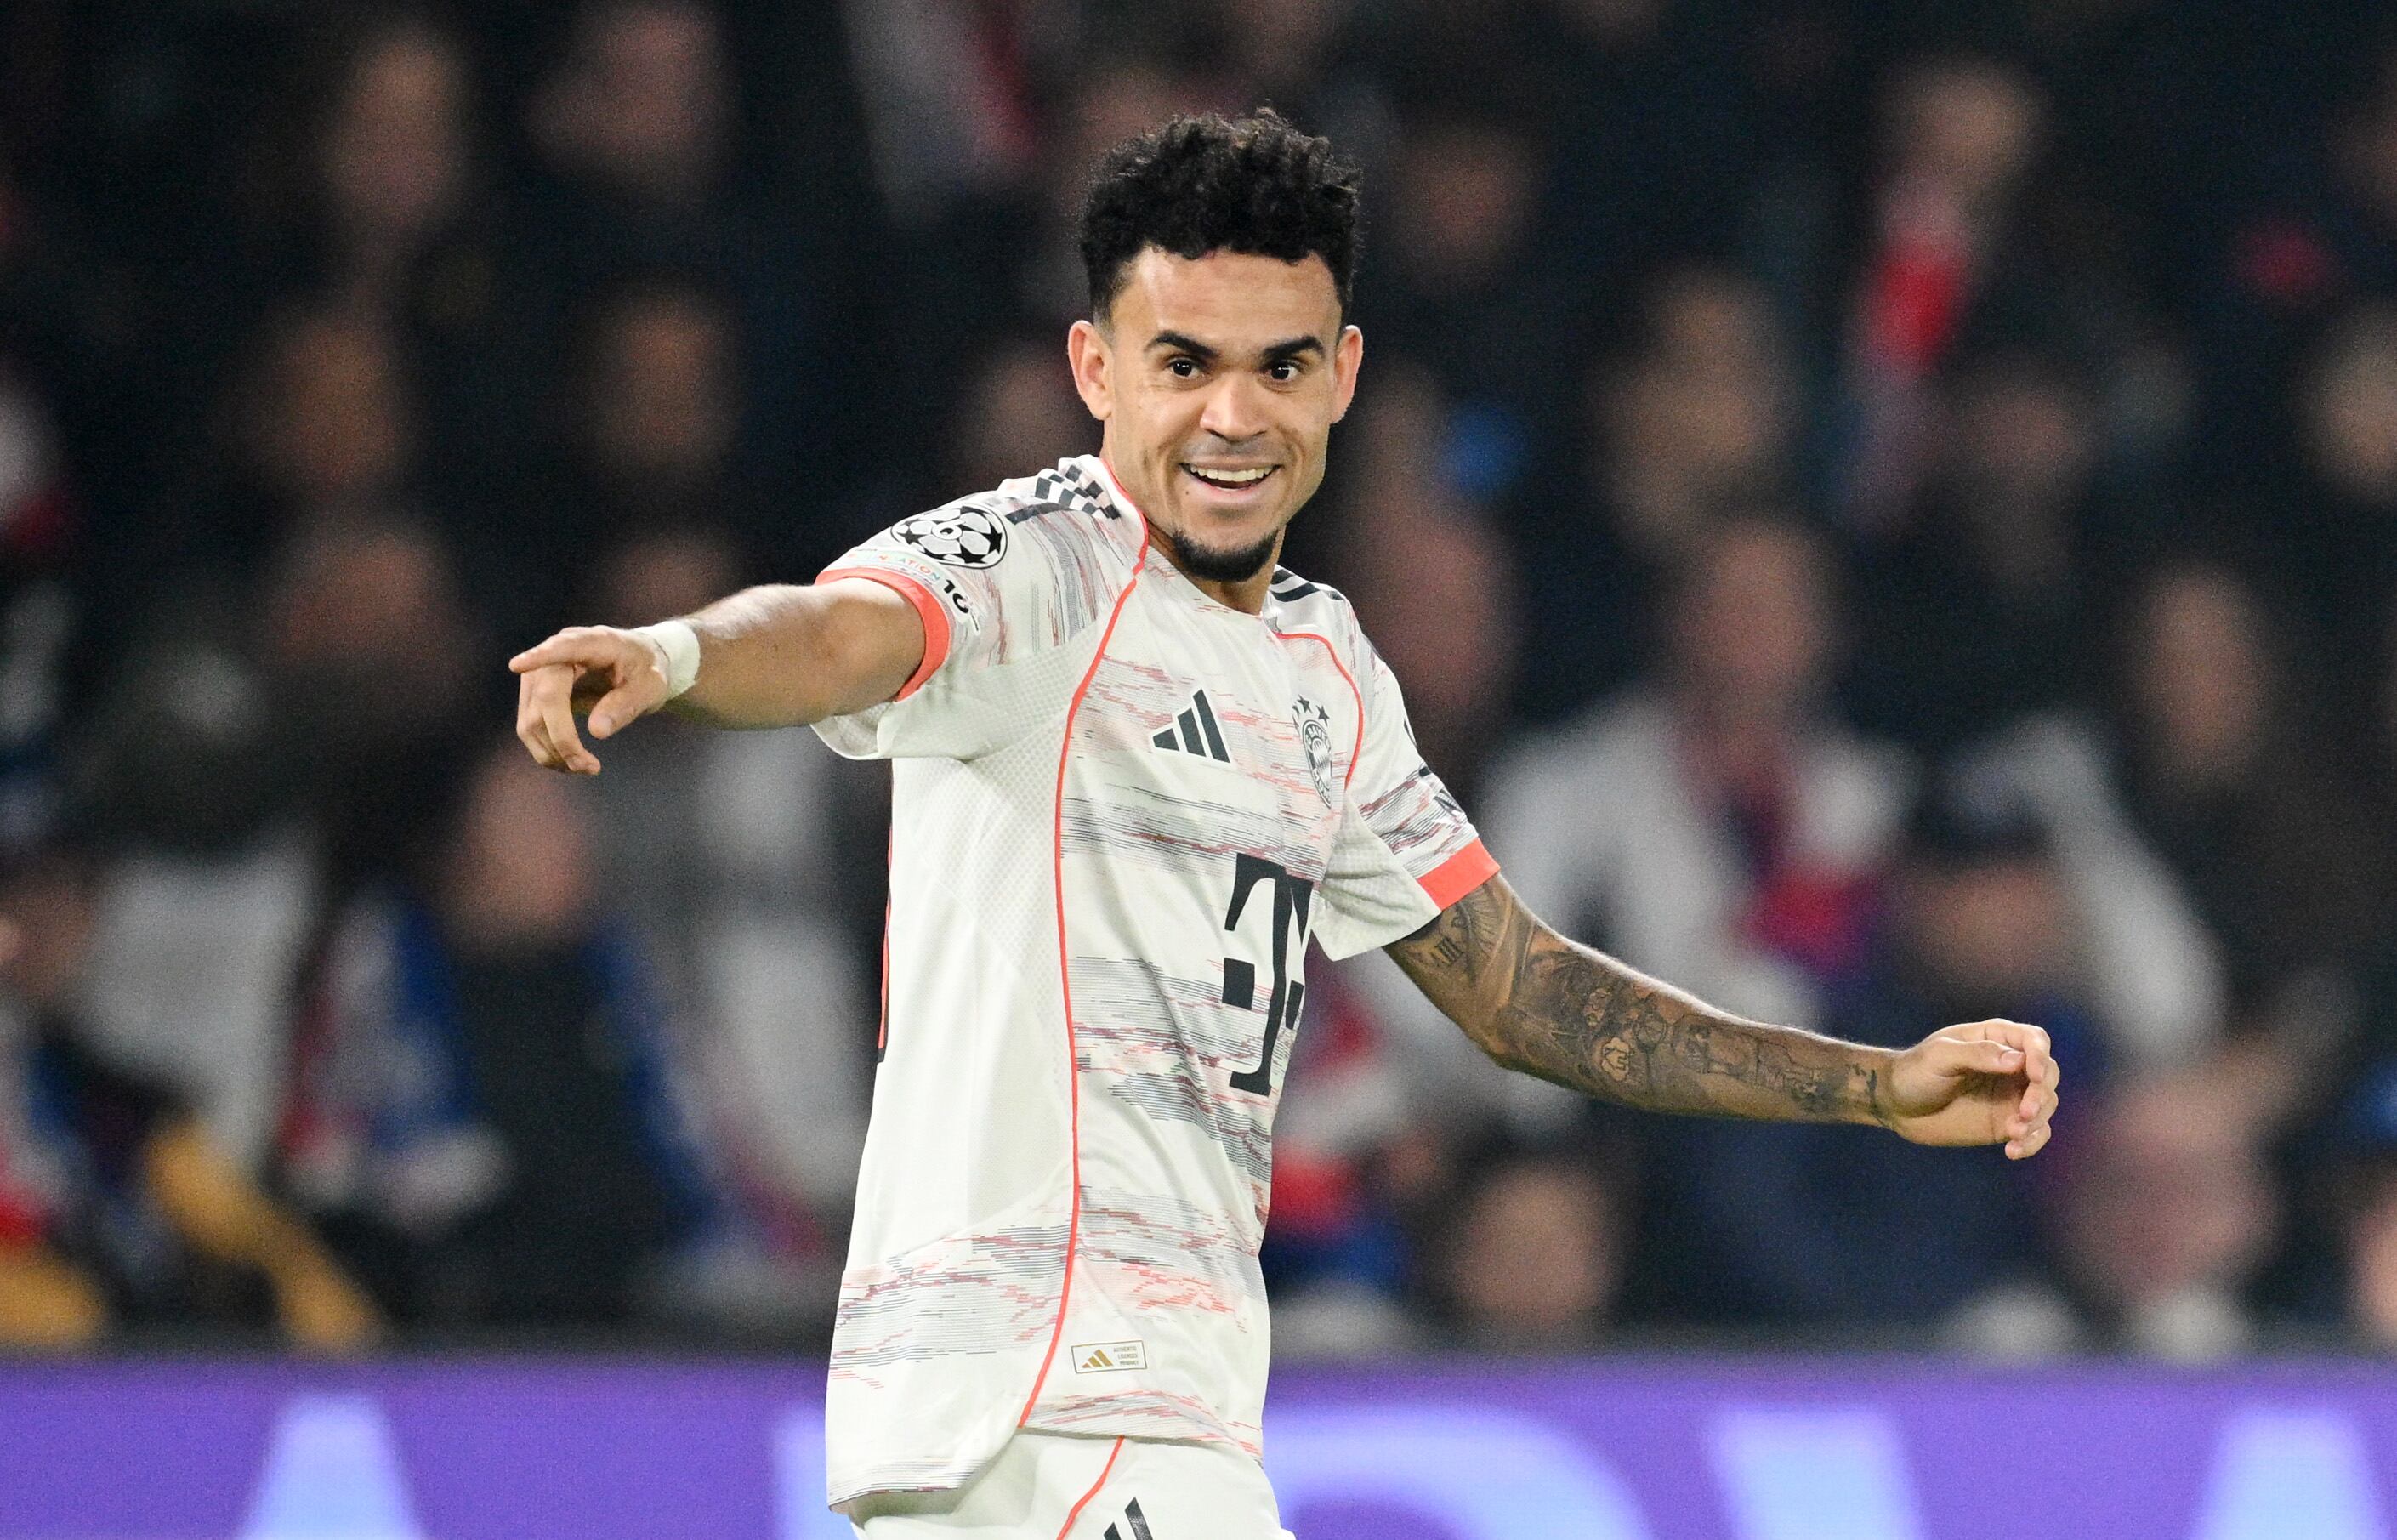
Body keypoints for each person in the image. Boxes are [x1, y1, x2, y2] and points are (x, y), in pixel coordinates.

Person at [509, 112, 2061, 1539]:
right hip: (1037, 1403)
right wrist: (679, 658)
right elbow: (848, 630)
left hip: (1168, 1414)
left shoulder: (1324, 670)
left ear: (1347, 372)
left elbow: (1519, 993)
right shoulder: (1040, 567)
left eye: (1282, 364)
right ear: (1096, 369)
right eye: (1182, 362)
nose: (1233, 416)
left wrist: (1876, 1085)